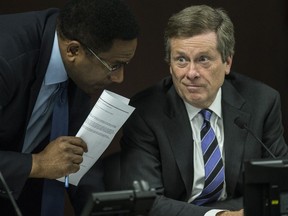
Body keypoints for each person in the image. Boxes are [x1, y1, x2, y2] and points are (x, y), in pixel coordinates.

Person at [120, 4, 288, 216]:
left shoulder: (262, 102)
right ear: (170, 65)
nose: (191, 73)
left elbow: (280, 183)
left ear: (227, 62)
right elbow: (144, 203)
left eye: (203, 59)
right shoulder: (145, 112)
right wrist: (217, 215)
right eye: (181, 59)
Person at [0, 0, 139, 215]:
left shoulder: (77, 58)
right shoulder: (6, 59)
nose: (119, 78)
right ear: (73, 50)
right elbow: (47, 163)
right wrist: (36, 164)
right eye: (113, 65)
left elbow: (78, 158)